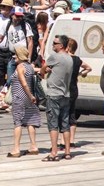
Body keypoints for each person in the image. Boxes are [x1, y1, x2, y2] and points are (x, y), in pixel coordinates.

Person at [41, 34, 73, 162]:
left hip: (54, 94)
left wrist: (45, 70)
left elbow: (42, 70)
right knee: (65, 124)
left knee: (53, 124)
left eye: (55, 43)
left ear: (61, 45)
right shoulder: (70, 58)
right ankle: (67, 151)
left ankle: (54, 152)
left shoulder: (55, 57)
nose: (53, 45)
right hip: (66, 94)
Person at [7, 46, 40, 157]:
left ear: (20, 55)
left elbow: (23, 82)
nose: (14, 56)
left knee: (18, 122)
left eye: (15, 54)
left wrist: (30, 95)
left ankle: (16, 149)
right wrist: (31, 96)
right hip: (28, 98)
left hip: (20, 97)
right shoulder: (30, 66)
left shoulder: (20, 66)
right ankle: (33, 146)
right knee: (30, 120)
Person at [65, 38, 91, 148]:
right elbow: (89, 68)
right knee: (72, 114)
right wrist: (80, 74)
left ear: (68, 47)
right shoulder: (77, 60)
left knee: (64, 114)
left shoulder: (65, 59)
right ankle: (72, 140)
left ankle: (63, 141)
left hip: (65, 89)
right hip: (74, 89)